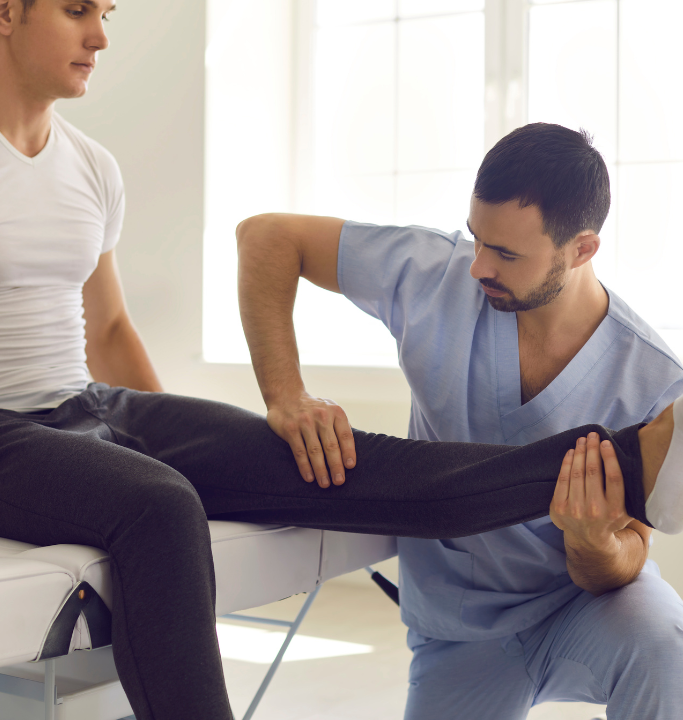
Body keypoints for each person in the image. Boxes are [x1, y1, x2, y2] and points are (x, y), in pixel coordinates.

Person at [0, 2, 682, 720]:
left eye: (106, 13)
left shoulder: (90, 165)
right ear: (3, 11)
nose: (100, 34)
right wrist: (174, 467)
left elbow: (110, 324)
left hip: (87, 402)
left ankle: (636, 462)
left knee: (353, 463)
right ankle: (634, 462)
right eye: (76, 9)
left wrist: (176, 443)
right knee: (160, 505)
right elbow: (267, 241)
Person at [236, 128, 683, 717]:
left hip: (583, 610)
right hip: (457, 630)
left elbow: (625, 561)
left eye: (506, 254)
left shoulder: (652, 381)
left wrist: (593, 541)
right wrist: (285, 394)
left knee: (667, 648)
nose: (478, 267)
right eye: (477, 239)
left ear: (581, 249)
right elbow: (265, 236)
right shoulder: (432, 273)